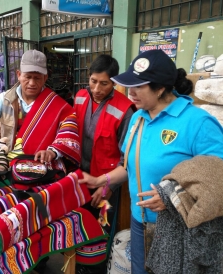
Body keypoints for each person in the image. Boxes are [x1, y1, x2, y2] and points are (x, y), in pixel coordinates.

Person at [78, 50, 223, 274]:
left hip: (179, 228)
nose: (130, 92)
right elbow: (129, 166)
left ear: (161, 88)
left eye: (138, 87)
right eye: (129, 85)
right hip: (140, 221)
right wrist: (101, 179)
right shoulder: (138, 118)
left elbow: (217, 179)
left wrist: (173, 197)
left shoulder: (198, 122)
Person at [74, 54, 135, 274]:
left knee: (101, 229)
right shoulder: (80, 97)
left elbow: (126, 157)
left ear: (115, 83)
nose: (97, 88)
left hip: (106, 185)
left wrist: (109, 186)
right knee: (78, 224)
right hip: (80, 178)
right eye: (93, 81)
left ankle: (96, 269)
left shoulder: (125, 109)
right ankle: (78, 265)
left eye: (104, 83)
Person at [0, 49, 81, 166]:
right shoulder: (5, 99)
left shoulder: (56, 105)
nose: (31, 83)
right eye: (28, 77)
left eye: (37, 78)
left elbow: (69, 133)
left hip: (43, 168)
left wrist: (53, 151)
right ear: (19, 75)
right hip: (10, 166)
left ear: (45, 78)